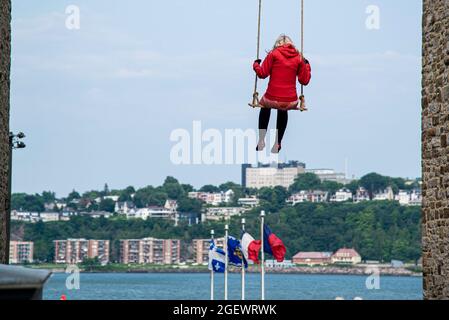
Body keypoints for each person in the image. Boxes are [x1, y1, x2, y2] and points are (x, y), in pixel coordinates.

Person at [253, 34, 311, 153]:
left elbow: (262, 74)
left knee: (265, 106)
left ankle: (261, 140)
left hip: (271, 98)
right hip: (291, 101)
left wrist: (256, 65)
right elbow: (304, 81)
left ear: (277, 44)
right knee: (283, 108)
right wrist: (307, 66)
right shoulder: (299, 58)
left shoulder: (273, 54)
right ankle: (278, 142)